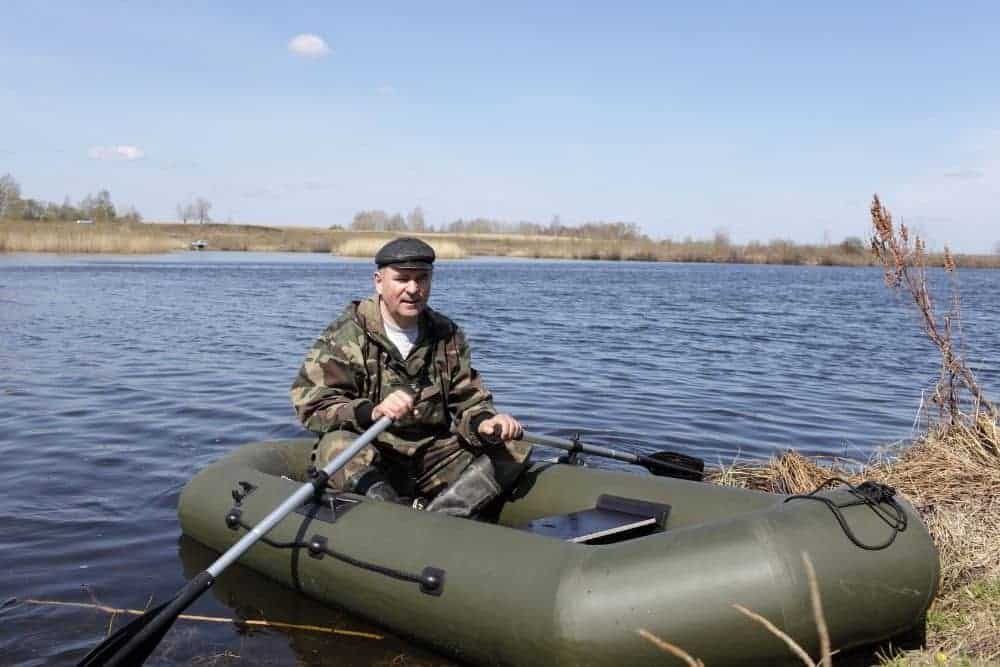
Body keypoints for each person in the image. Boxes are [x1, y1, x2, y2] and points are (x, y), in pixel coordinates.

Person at [289, 237, 530, 517]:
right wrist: (372, 411)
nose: (413, 289)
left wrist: (485, 423)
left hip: (431, 458)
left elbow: (469, 401)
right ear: (379, 282)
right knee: (336, 447)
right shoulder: (345, 335)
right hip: (373, 455)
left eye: (422, 279)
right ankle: (395, 517)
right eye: (402, 279)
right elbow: (312, 405)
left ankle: (441, 518)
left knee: (515, 445)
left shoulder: (447, 334)